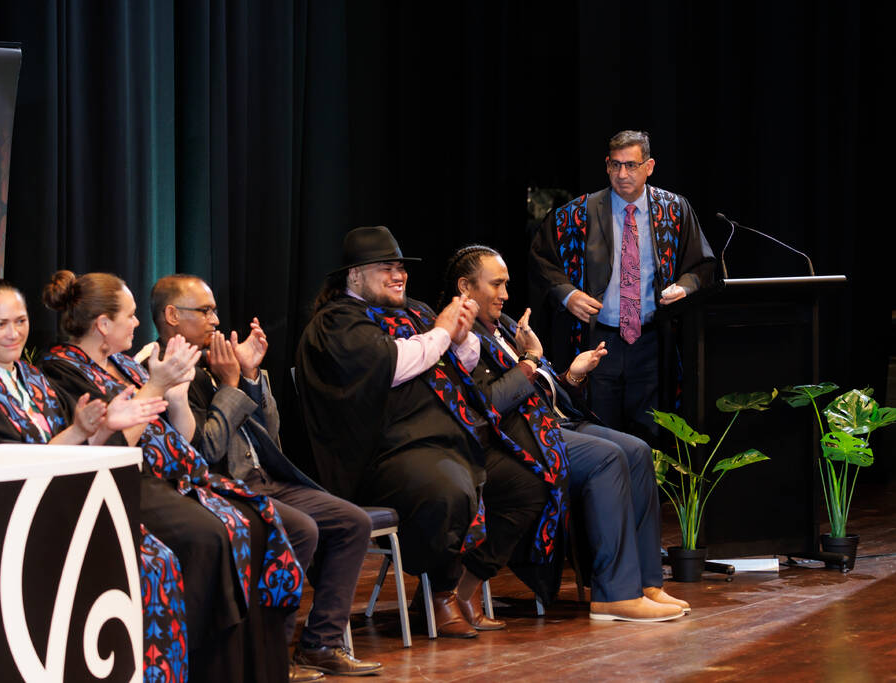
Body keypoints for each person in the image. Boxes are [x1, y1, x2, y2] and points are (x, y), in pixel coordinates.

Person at [296, 226, 565, 639]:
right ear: (354, 276)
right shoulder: (337, 323)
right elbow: (394, 364)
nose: (397, 275)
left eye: (400, 267)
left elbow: (460, 365)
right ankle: (438, 594)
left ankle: (463, 585)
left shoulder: (415, 312)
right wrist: (442, 333)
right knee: (450, 487)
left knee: (529, 482)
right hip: (387, 454)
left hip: (452, 440)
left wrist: (459, 339)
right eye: (385, 268)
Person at [39, 270, 303, 683]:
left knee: (254, 523)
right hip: (123, 485)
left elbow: (184, 440)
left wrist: (176, 396)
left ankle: (251, 668)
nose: (137, 323)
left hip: (172, 477)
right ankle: (203, 665)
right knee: (209, 537)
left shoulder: (125, 363)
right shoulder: (63, 371)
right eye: (128, 315)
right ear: (103, 325)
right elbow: (110, 448)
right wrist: (156, 385)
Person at [0, 279, 188, 680]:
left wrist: (104, 427)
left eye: (21, 321)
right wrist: (82, 432)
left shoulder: (36, 381)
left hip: (67, 508)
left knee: (159, 560)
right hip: (13, 530)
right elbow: (13, 468)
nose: (14, 333)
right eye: (0, 324)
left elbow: (79, 451)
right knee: (145, 565)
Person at [148, 274, 380, 680]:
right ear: (171, 315)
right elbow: (204, 451)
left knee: (351, 522)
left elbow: (270, 433)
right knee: (301, 530)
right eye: (205, 311)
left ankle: (321, 644)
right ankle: (273, 658)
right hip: (223, 488)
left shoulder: (215, 359)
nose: (215, 320)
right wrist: (231, 385)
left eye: (215, 310)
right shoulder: (162, 370)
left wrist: (251, 376)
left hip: (266, 477)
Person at [444, 245, 689, 622]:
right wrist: (528, 361)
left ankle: (645, 582)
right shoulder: (459, 334)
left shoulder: (507, 327)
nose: (506, 294)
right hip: (522, 438)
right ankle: (614, 594)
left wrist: (571, 375)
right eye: (496, 285)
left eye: (507, 284)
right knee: (609, 458)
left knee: (638, 451)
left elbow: (541, 390)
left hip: (557, 423)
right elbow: (487, 403)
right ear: (465, 286)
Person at [530, 130, 716, 440]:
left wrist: (685, 287)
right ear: (606, 165)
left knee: (652, 435)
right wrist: (567, 294)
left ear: (649, 166)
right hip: (598, 342)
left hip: (651, 342)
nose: (622, 174)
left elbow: (703, 265)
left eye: (631, 165)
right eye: (615, 165)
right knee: (601, 432)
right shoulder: (580, 213)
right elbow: (540, 258)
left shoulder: (673, 210)